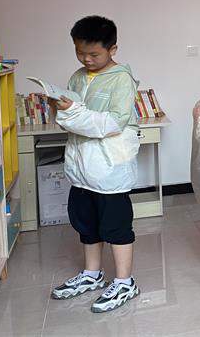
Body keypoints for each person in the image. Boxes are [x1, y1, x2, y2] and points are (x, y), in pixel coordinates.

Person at [49, 16, 141, 313]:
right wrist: (60, 109)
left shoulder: (121, 79)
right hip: (81, 167)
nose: (86, 59)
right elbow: (69, 122)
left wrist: (72, 113)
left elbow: (113, 123)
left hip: (109, 166)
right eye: (80, 52)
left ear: (112, 49)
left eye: (93, 54)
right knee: (86, 223)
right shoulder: (78, 77)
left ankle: (125, 282)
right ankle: (92, 274)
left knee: (116, 226)